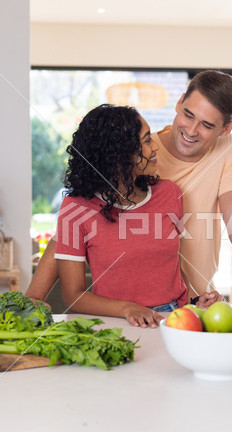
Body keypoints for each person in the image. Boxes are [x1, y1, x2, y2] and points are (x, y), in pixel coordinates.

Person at [26, 70, 232, 314]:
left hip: (191, 302)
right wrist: (33, 299)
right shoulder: (132, 154)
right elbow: (74, 224)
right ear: (179, 102)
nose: (191, 131)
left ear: (225, 129)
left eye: (207, 125)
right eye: (188, 114)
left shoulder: (223, 152)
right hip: (130, 310)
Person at [49, 104, 214, 328]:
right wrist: (127, 308)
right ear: (119, 153)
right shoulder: (76, 207)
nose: (155, 147)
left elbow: (172, 266)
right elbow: (73, 295)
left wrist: (196, 301)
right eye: (146, 140)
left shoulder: (169, 193)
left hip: (173, 318)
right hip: (114, 322)